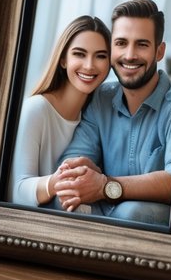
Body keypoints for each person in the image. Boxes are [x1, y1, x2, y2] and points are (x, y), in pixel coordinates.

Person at [54, 0, 171, 226]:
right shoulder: (100, 98)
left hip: (151, 220)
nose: (129, 55)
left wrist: (105, 185)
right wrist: (83, 172)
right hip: (102, 210)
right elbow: (71, 161)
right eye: (121, 43)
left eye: (142, 44)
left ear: (159, 51)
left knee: (131, 213)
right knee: (64, 200)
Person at [12, 16, 111, 208]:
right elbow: (17, 192)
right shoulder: (36, 109)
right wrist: (55, 182)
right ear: (63, 59)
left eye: (100, 56)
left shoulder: (97, 115)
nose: (89, 65)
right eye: (79, 54)